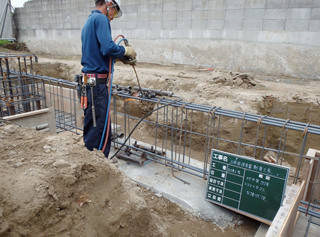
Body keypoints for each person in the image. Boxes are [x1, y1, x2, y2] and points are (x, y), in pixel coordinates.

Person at [81, 0, 136, 158]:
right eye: (115, 12)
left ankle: (91, 160)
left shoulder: (89, 22)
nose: (113, 17)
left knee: (93, 124)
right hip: (96, 85)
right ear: (109, 4)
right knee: (100, 127)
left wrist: (116, 57)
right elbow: (107, 47)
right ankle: (98, 165)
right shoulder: (101, 19)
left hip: (89, 82)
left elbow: (98, 53)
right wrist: (125, 50)